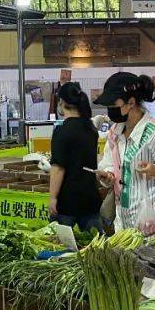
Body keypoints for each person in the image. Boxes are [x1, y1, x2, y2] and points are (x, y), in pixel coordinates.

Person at [94, 72, 155, 241]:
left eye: (113, 104)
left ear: (131, 102)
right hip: (125, 224)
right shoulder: (115, 133)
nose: (109, 109)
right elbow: (108, 164)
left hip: (154, 225)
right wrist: (107, 176)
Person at [48, 83, 105, 231]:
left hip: (68, 201)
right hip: (91, 198)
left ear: (61, 102)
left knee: (62, 248)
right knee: (94, 248)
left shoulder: (62, 131)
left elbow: (58, 168)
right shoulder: (91, 129)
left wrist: (53, 197)